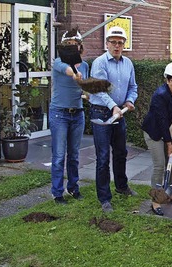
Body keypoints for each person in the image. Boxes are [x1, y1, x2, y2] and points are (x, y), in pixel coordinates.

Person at [89, 26, 138, 213]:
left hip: (120, 112)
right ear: (107, 43)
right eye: (113, 42)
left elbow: (133, 86)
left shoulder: (128, 64)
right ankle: (104, 198)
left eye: (120, 43)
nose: (117, 46)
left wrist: (129, 100)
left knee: (121, 152)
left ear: (124, 45)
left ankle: (121, 186)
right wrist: (113, 107)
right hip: (101, 113)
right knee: (103, 157)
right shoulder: (100, 63)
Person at [141, 62, 172, 216]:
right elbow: (161, 121)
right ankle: (155, 200)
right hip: (156, 134)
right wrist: (168, 144)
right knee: (160, 165)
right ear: (167, 80)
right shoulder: (160, 95)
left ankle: (168, 193)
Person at [49, 28, 89, 204]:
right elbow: (67, 70)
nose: (73, 47)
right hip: (60, 114)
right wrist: (75, 74)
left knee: (74, 155)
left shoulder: (86, 66)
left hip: (78, 113)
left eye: (75, 44)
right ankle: (57, 193)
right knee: (59, 156)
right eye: (69, 45)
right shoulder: (58, 62)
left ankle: (73, 188)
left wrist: (87, 92)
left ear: (80, 46)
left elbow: (84, 88)